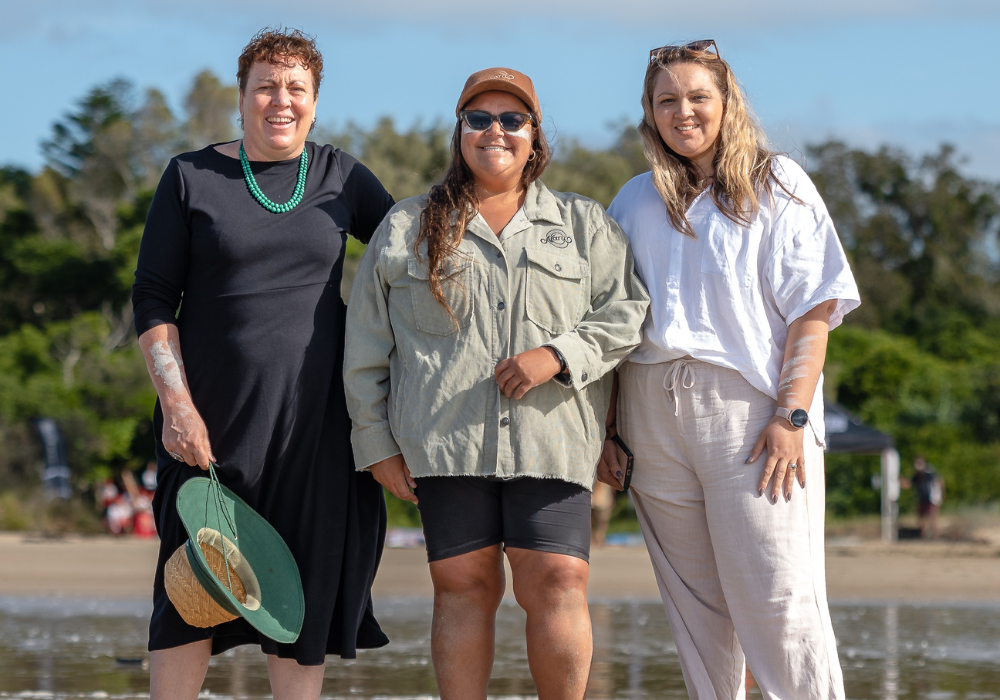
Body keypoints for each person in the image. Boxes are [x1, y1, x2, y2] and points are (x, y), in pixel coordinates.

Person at [344, 68, 648, 700]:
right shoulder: (405, 227)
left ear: (535, 136)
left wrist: (558, 355)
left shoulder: (585, 224)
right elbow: (366, 347)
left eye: (512, 119)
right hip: (445, 448)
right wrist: (375, 443)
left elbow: (627, 314)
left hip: (553, 442)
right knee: (463, 590)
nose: (495, 132)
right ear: (459, 133)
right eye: (478, 119)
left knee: (560, 581)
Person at [131, 28, 394, 700]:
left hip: (318, 434)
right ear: (242, 96)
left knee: (296, 604)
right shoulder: (190, 177)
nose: (281, 100)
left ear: (315, 99)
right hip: (210, 429)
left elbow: (411, 259)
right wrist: (176, 406)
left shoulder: (343, 176)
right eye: (267, 87)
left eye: (296, 88)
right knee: (188, 601)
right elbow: (154, 299)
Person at [599, 40, 861, 699]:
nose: (682, 112)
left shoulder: (778, 183)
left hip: (749, 412)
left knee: (779, 600)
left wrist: (791, 413)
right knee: (697, 616)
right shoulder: (631, 201)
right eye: (667, 100)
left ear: (726, 102)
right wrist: (607, 429)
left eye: (697, 97)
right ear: (649, 112)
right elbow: (610, 325)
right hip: (648, 416)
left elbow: (813, 307)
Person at [903, 456, 944, 538]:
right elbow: (908, 484)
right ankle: (923, 535)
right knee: (921, 518)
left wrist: (941, 495)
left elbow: (940, 482)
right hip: (923, 499)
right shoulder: (918, 475)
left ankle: (936, 535)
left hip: (932, 499)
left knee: (933, 517)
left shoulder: (929, 473)